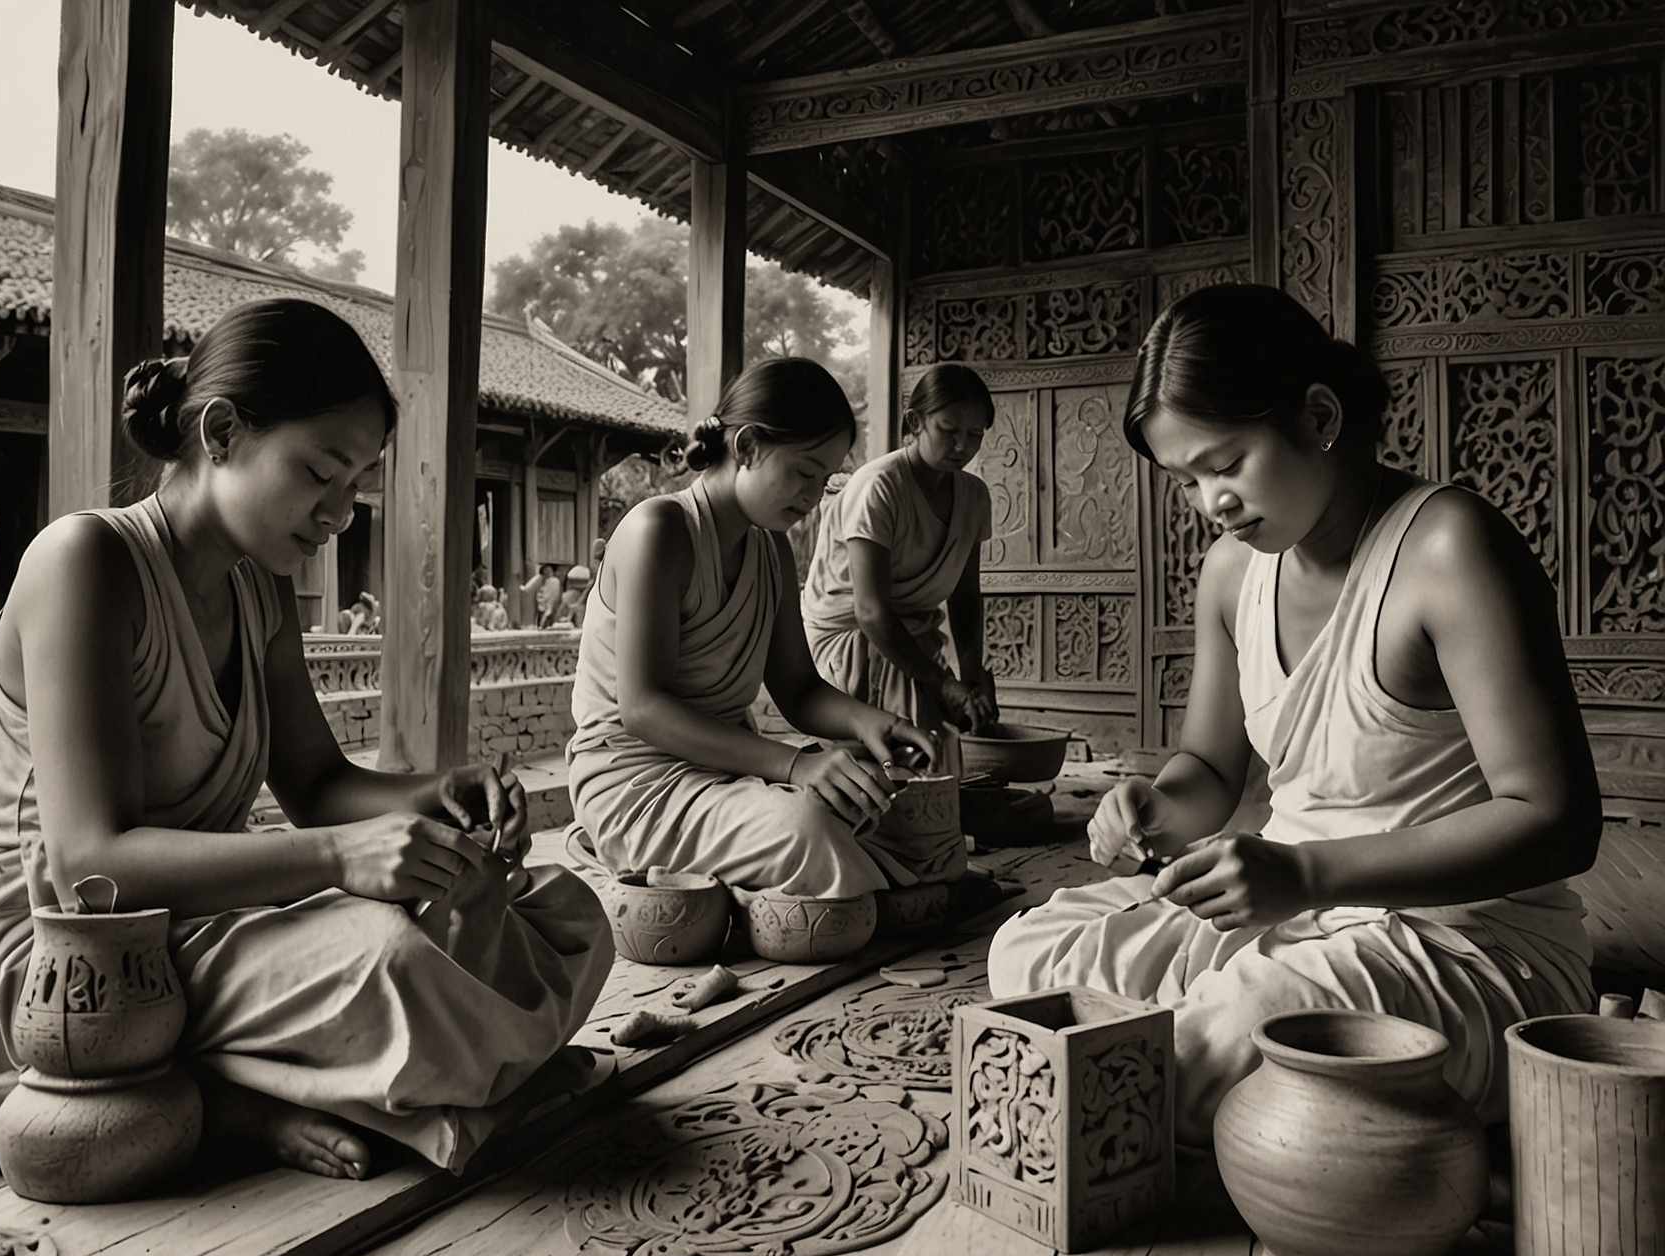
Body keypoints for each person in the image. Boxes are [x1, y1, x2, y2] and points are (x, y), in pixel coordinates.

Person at [0, 298, 613, 1182]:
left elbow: (320, 784)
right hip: (61, 962)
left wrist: (441, 795)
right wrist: (336, 858)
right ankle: (185, 1096)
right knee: (396, 965)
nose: (338, 514)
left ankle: (163, 1087)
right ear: (220, 433)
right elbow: (89, 863)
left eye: (356, 485)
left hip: (201, 924)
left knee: (557, 912)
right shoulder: (86, 563)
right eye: (320, 473)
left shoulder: (260, 588)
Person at [987, 284, 1599, 1143]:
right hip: (1292, 910)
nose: (1212, 504)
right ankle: (1284, 1103)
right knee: (1032, 955)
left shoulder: (1449, 548)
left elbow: (1559, 823)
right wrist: (1154, 807)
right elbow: (1207, 769)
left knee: (1209, 1041)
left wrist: (1307, 875)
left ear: (1317, 416)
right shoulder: (1234, 575)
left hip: (1463, 941)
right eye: (1187, 481)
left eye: (1226, 464)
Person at [568, 358, 937, 904]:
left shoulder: (770, 548)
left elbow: (799, 690)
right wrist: (794, 764)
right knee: (807, 828)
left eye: (826, 479)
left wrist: (873, 723)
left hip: (720, 769)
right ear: (745, 448)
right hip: (635, 783)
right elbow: (643, 709)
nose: (814, 495)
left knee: (876, 797)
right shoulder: (660, 530)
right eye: (804, 472)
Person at [803, 364, 997, 735]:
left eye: (975, 434)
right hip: (851, 642)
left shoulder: (975, 497)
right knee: (915, 755)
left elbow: (966, 595)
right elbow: (871, 612)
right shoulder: (879, 487)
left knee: (948, 751)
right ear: (915, 422)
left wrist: (971, 679)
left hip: (913, 644)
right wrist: (942, 684)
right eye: (949, 430)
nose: (962, 446)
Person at [521, 563, 563, 629]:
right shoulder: (543, 579)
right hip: (544, 603)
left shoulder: (554, 581)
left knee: (547, 613)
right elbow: (531, 585)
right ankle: (541, 625)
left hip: (549, 602)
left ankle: (542, 625)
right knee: (544, 614)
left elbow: (553, 595)